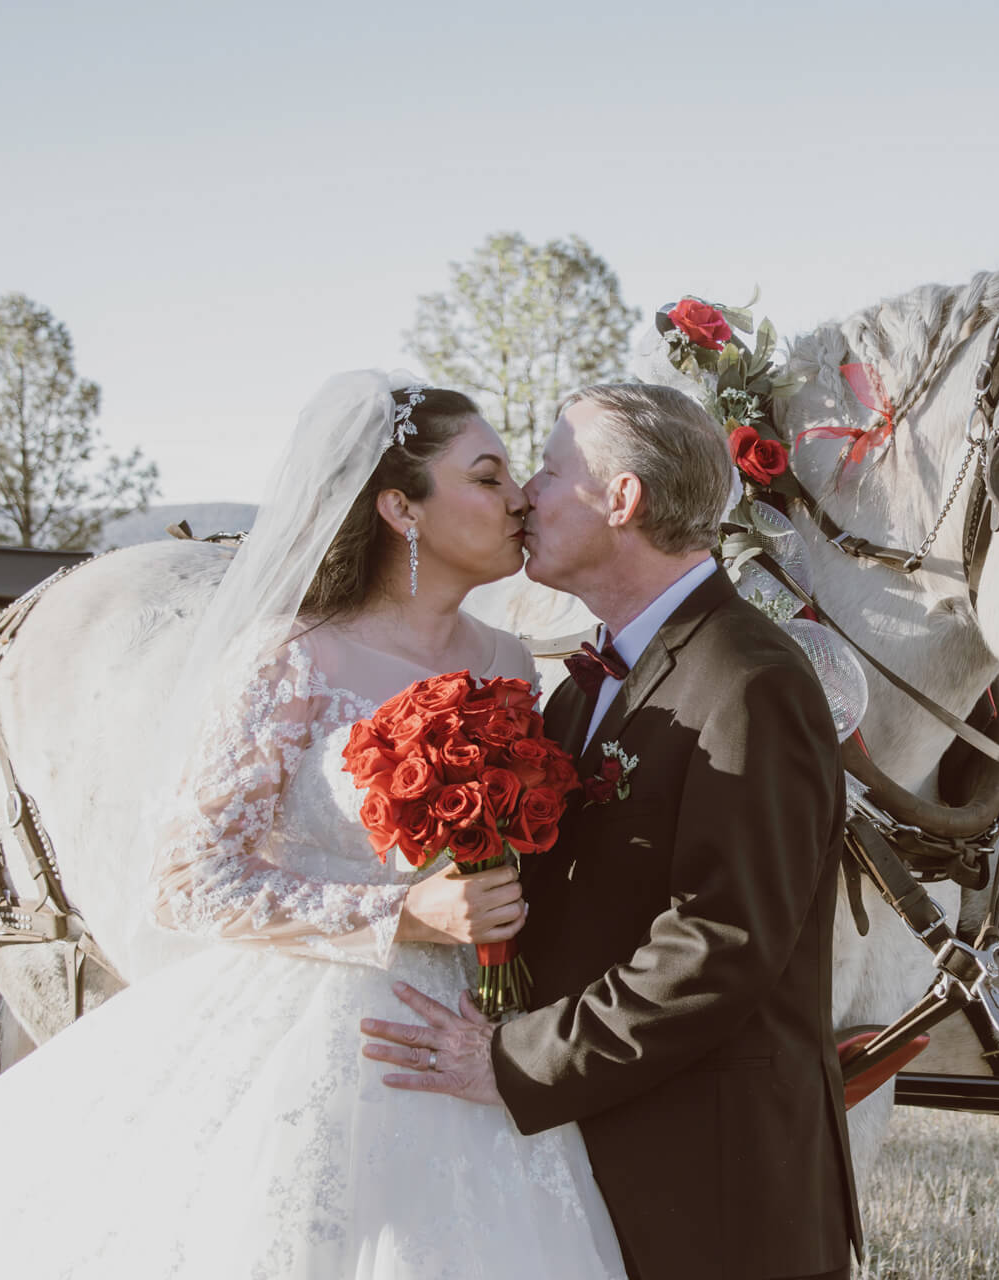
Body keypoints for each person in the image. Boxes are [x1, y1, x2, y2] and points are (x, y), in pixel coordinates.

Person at [0, 372, 626, 1279]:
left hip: (486, 1038)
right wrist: (403, 917)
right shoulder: (294, 658)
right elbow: (188, 878)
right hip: (322, 1036)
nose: (520, 496)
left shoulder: (510, 660)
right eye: (487, 477)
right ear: (401, 509)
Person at [361, 383, 861, 1280]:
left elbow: (720, 942)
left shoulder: (750, 681)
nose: (526, 498)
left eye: (549, 472)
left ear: (621, 500)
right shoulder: (583, 686)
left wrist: (517, 1062)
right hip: (592, 1178)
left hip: (714, 1196)